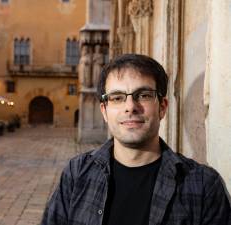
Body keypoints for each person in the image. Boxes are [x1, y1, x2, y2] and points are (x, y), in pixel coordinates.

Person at [41, 54, 231, 225]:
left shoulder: (203, 185)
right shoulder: (77, 174)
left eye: (144, 95)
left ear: (162, 107)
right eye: (117, 97)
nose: (130, 107)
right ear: (104, 111)